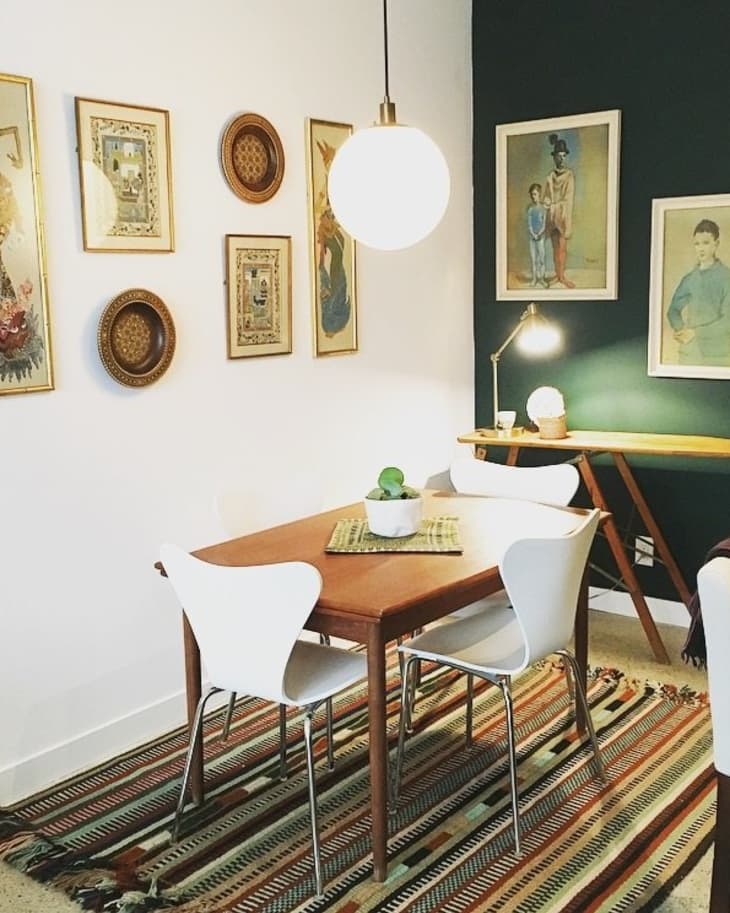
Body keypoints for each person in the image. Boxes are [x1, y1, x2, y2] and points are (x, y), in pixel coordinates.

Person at [666, 219, 730, 366]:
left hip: (718, 355)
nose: (701, 248)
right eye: (697, 244)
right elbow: (673, 310)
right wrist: (681, 329)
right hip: (689, 353)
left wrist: (695, 333)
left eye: (706, 243)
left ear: (716, 243)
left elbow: (728, 322)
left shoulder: (727, 277)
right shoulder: (689, 279)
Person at [543, 133, 575, 288]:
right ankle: (557, 274)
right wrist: (547, 202)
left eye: (563, 156)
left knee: (562, 248)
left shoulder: (569, 176)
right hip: (552, 216)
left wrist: (555, 205)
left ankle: (562, 276)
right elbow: (546, 197)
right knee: (554, 247)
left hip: (562, 216)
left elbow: (568, 199)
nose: (561, 159)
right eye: (558, 156)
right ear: (554, 157)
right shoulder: (550, 176)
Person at [526, 182, 547, 287]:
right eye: (532, 194)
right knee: (534, 259)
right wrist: (533, 234)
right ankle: (534, 279)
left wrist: (539, 234)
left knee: (541, 259)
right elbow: (529, 224)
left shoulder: (543, 209)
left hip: (541, 238)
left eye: (535, 194)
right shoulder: (530, 209)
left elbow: (544, 224)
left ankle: (542, 279)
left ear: (539, 194)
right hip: (532, 238)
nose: (533, 197)